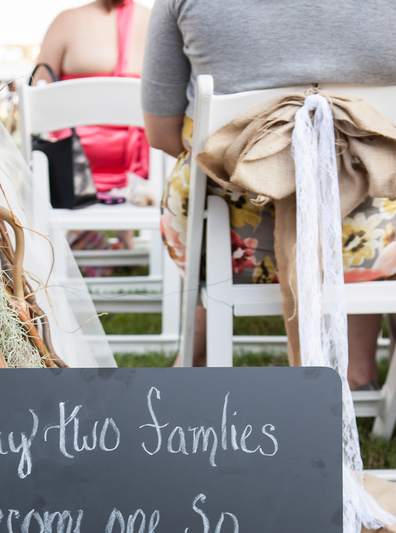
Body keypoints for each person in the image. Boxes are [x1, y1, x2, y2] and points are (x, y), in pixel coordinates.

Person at [140, 0, 396, 384]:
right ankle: (357, 370)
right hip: (374, 248)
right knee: (364, 192)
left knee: (208, 194)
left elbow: (162, 135)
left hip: (236, 249)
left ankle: (193, 362)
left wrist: (263, 165)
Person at [35, 0, 151, 198]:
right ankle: (123, 228)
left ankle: (79, 229)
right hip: (140, 169)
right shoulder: (156, 22)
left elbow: (37, 100)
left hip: (71, 168)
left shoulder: (65, 22)